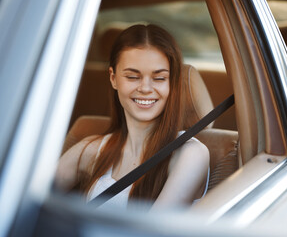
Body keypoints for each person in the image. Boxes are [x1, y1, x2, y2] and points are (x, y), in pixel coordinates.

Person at [55, 24, 210, 209]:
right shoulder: (92, 150)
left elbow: (150, 232)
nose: (145, 88)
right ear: (113, 78)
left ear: (172, 83)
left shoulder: (190, 154)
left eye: (159, 78)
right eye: (132, 77)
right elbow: (23, 199)